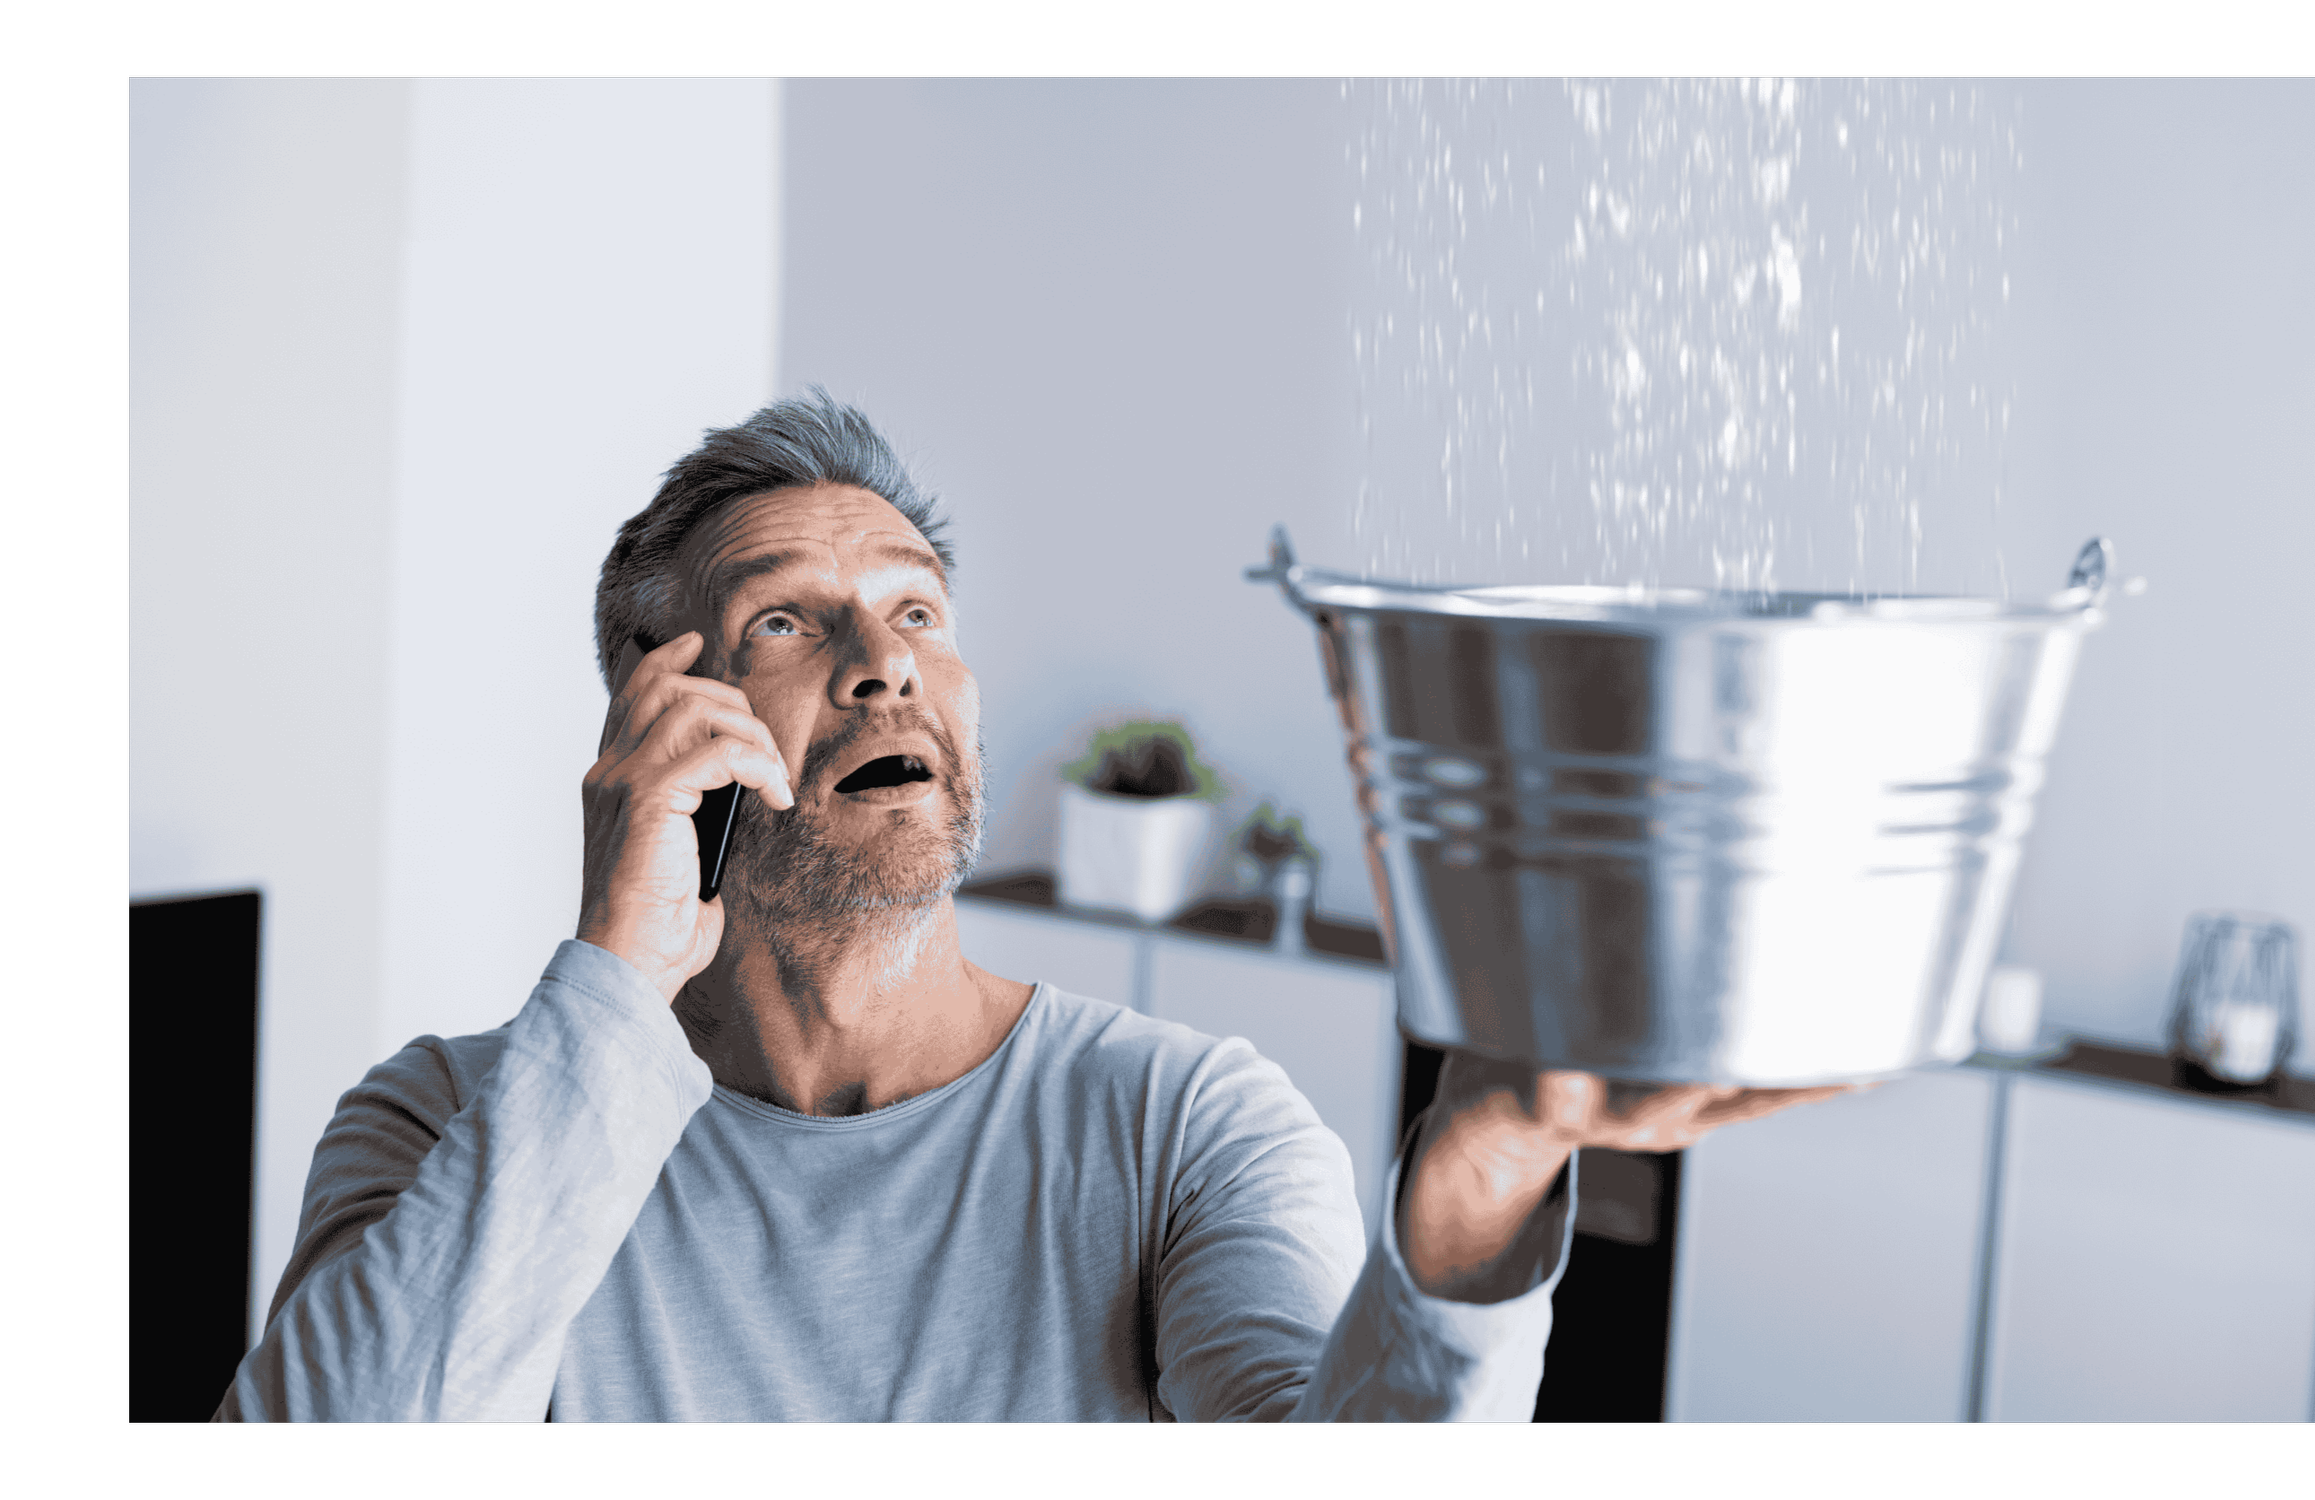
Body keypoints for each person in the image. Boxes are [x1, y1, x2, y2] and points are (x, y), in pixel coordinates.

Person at [215, 390, 1846, 1423]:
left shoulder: (1181, 1124)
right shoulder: (444, 1126)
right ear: (660, 725)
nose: (885, 662)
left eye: (917, 610)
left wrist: (1485, 1158)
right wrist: (615, 976)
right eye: (789, 623)